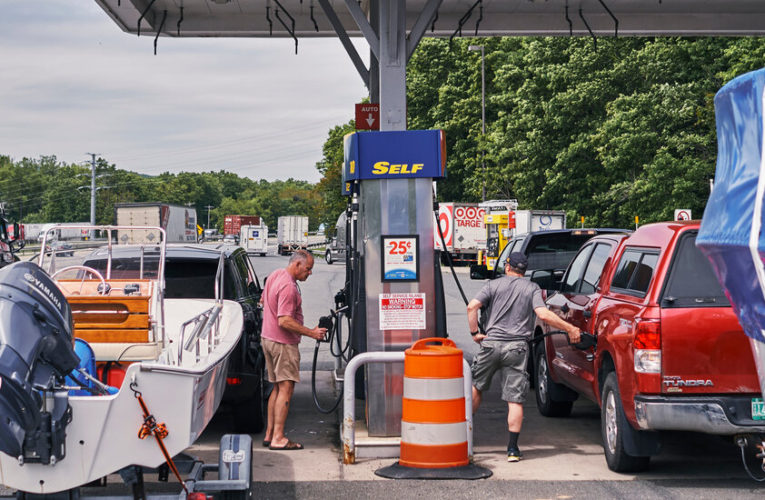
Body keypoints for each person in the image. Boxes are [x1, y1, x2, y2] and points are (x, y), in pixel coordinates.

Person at [466, 252, 581, 462]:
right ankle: (512, 449)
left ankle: (464, 438)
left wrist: (475, 333)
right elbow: (543, 314)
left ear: (508, 267)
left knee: (477, 387)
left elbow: (472, 306)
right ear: (524, 270)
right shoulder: (531, 288)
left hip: (491, 344)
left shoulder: (493, 285)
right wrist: (570, 328)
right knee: (514, 399)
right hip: (517, 348)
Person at [262, 250, 326, 451]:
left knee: (276, 387)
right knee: (286, 389)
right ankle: (279, 438)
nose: (310, 273)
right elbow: (284, 320)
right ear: (297, 265)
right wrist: (311, 333)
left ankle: (269, 434)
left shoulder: (275, 275)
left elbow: (264, 302)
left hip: (268, 339)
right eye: (308, 269)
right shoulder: (289, 287)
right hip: (283, 344)